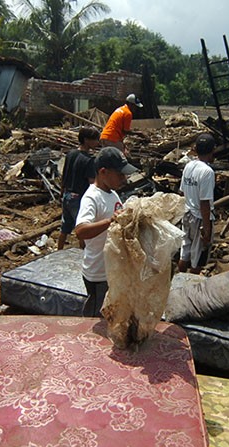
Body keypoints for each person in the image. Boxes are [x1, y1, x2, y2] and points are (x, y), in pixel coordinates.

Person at [74, 146, 138, 316]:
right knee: (96, 316)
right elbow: (80, 231)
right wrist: (110, 221)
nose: (124, 178)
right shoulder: (92, 197)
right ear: (103, 172)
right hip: (98, 274)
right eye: (120, 174)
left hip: (112, 270)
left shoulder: (112, 194)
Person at [178, 133, 217, 274]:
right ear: (213, 149)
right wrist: (206, 229)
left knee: (185, 251)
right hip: (199, 218)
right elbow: (204, 203)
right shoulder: (207, 172)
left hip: (187, 214)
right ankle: (192, 288)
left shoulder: (189, 166)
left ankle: (179, 282)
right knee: (198, 257)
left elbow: (182, 192)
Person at [57, 126, 100, 250]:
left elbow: (64, 174)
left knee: (65, 227)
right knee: (82, 229)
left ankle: (58, 251)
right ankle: (82, 254)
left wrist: (62, 191)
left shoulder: (70, 154)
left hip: (67, 195)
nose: (97, 142)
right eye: (95, 139)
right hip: (79, 198)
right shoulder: (89, 160)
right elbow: (91, 182)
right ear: (86, 140)